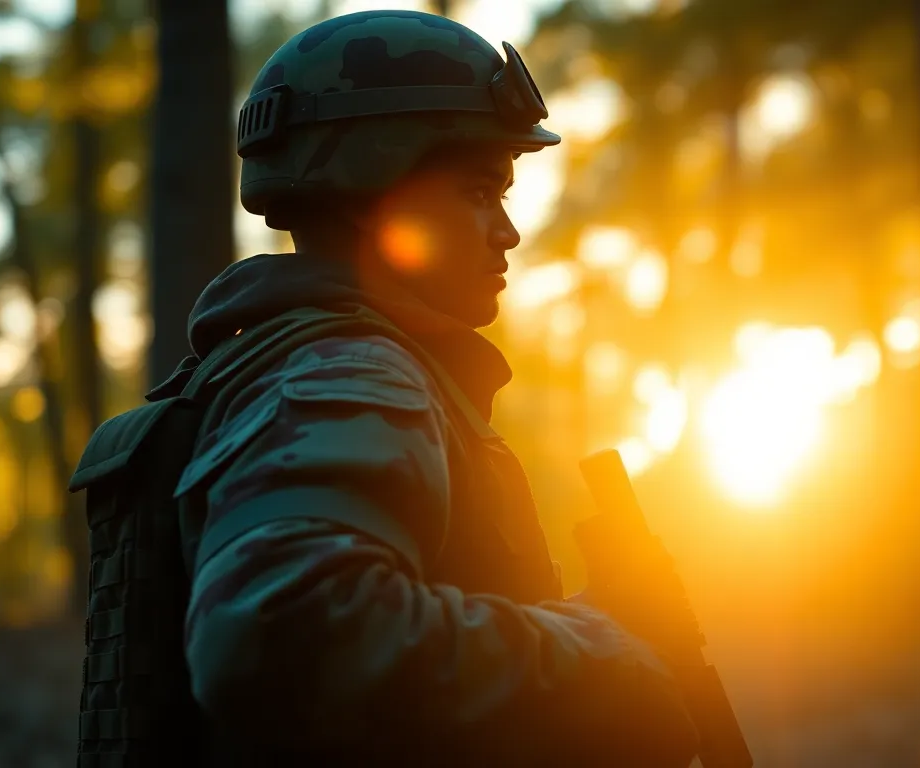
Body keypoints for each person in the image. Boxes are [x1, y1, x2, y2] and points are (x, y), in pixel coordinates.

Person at [177, 10, 700, 765]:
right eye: (479, 191)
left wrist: (586, 623)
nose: (507, 231)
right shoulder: (352, 372)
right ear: (372, 189)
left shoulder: (277, 363)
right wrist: (600, 660)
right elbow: (279, 627)